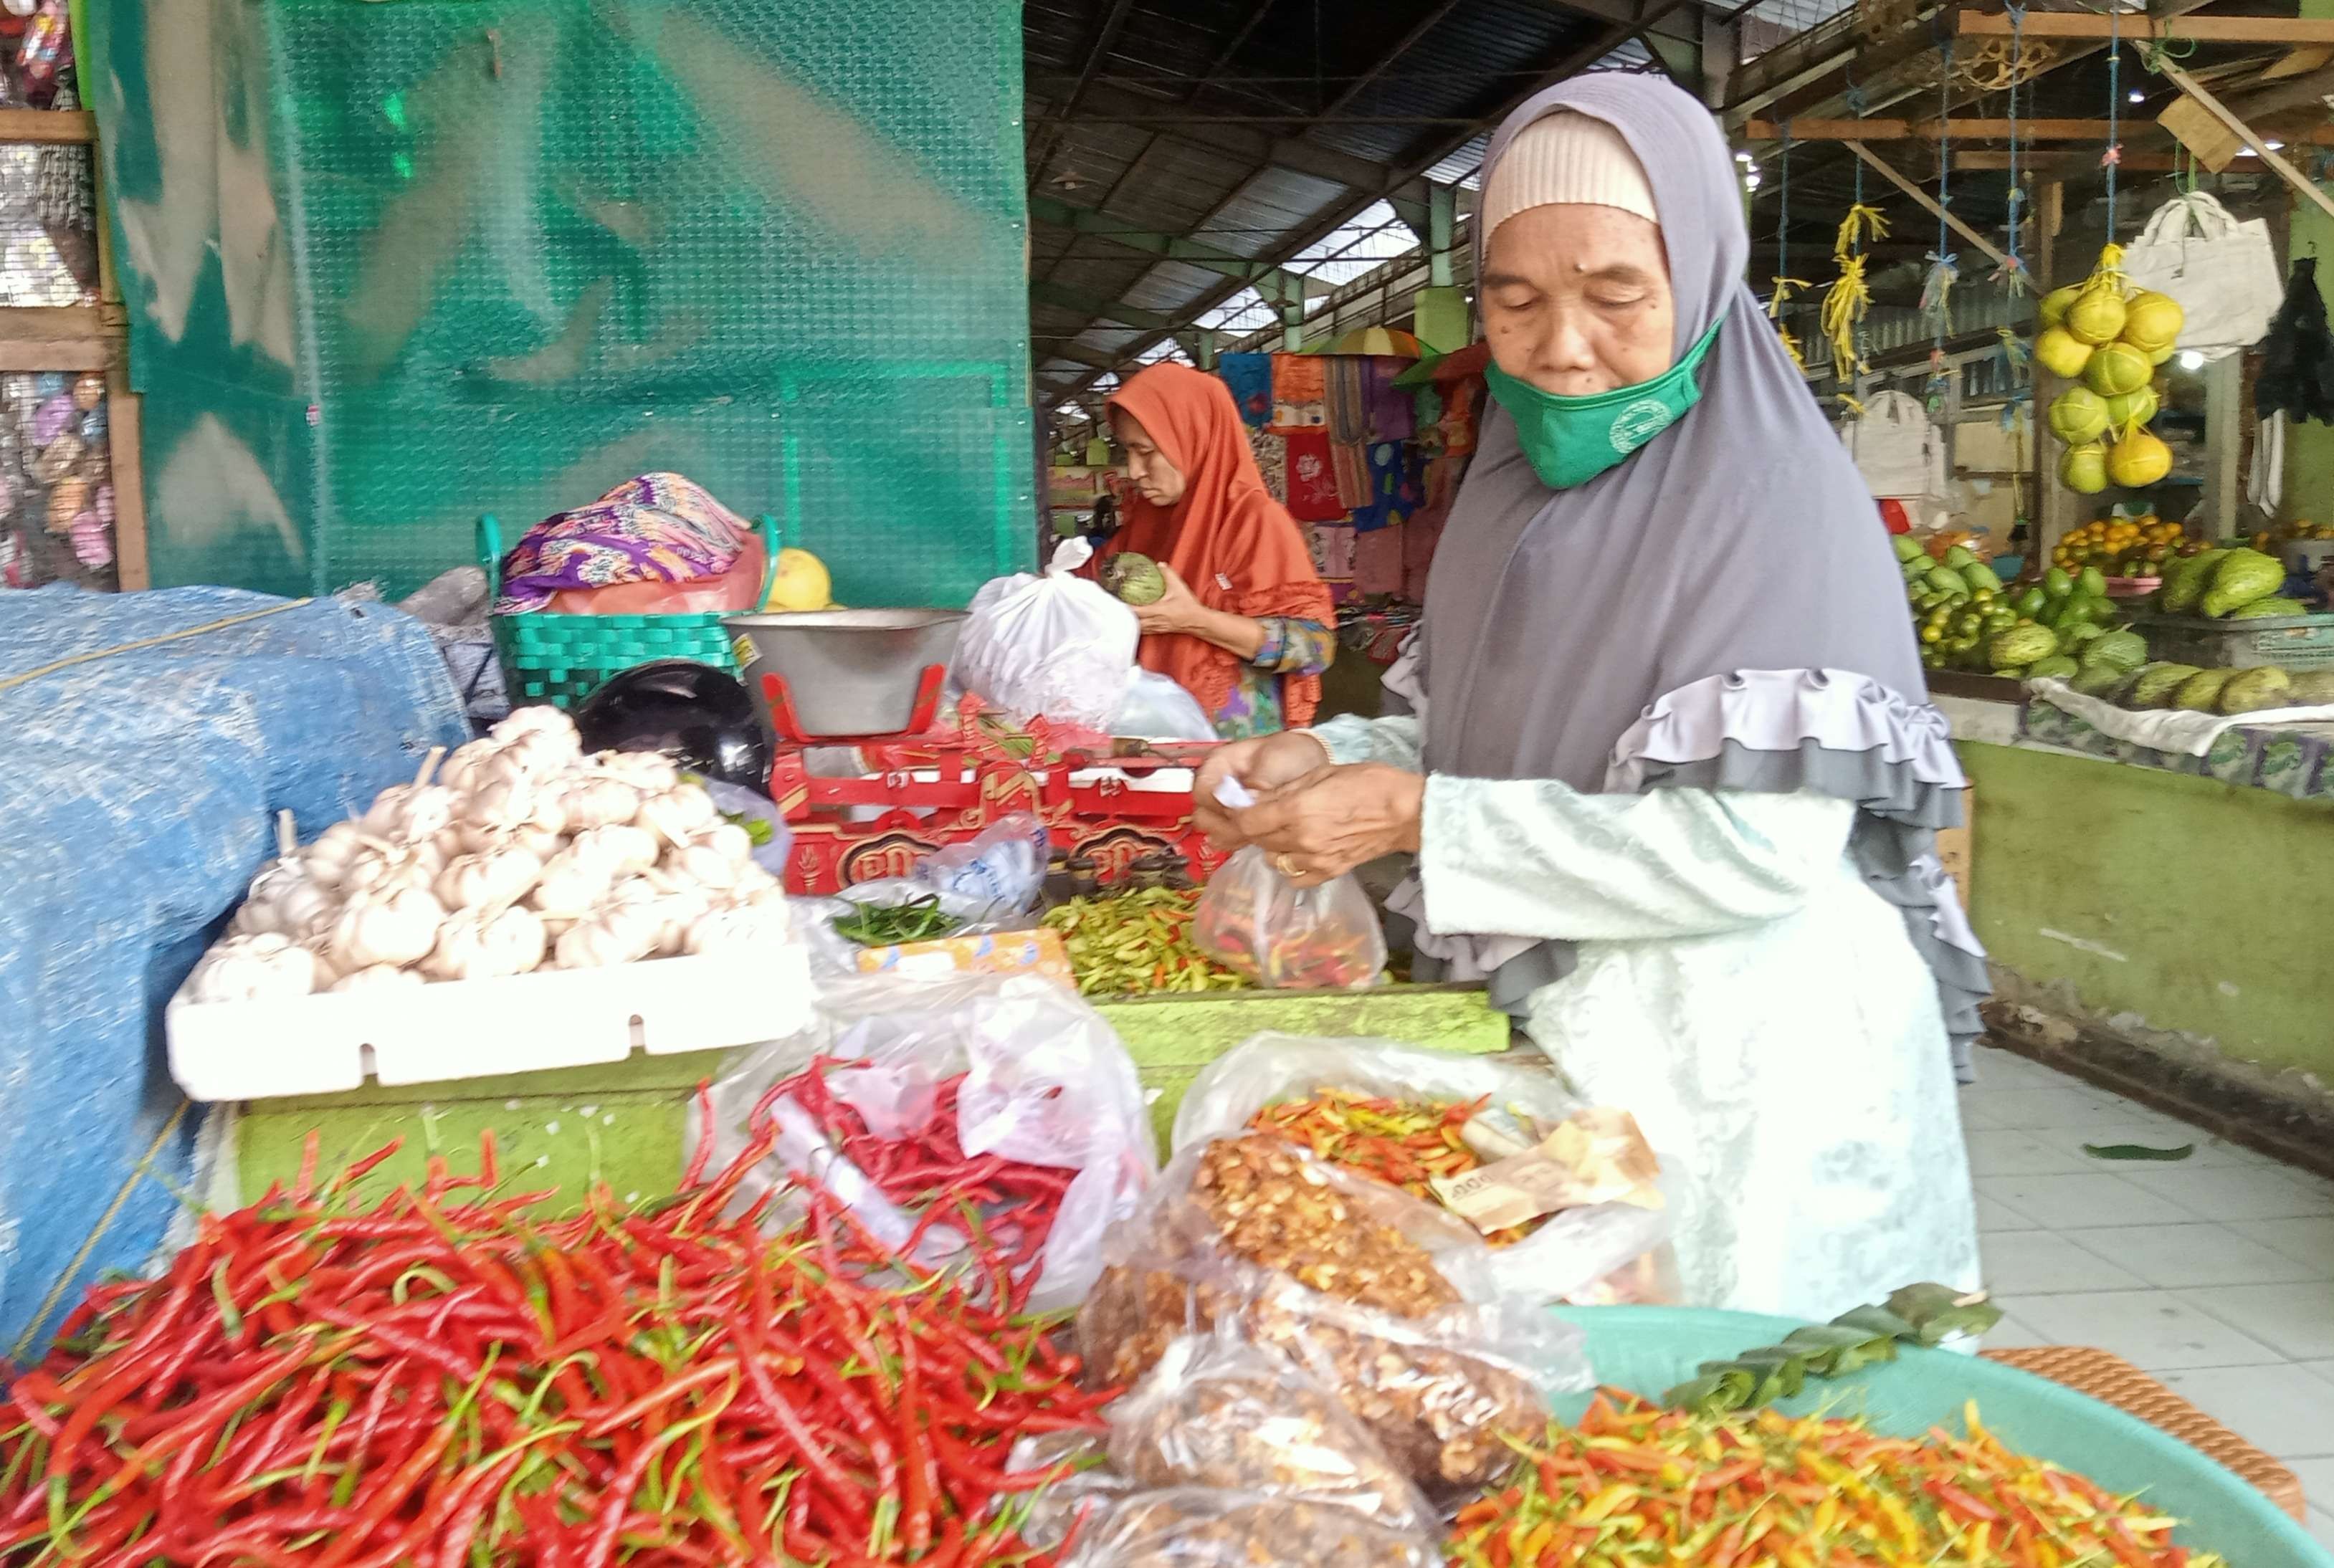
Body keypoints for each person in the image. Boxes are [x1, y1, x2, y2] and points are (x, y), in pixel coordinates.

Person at [1193, 75, 1985, 1319]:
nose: (1562, 348)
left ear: (1702, 282)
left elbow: (1750, 849)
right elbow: (1490, 731)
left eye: (1617, 297)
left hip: (1752, 1071)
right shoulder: (1511, 493)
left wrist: (1414, 819)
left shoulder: (1771, 506)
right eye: (1514, 302)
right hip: (1585, 1055)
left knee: (1745, 1435)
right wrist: (1324, 752)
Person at [1100, 363, 1335, 738]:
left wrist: (1195, 619)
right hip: (1149, 744)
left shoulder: (1254, 521)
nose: (1134, 471)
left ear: (1192, 439)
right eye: (1127, 451)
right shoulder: (1143, 528)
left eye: (1145, 452)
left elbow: (1316, 647)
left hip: (1235, 759)